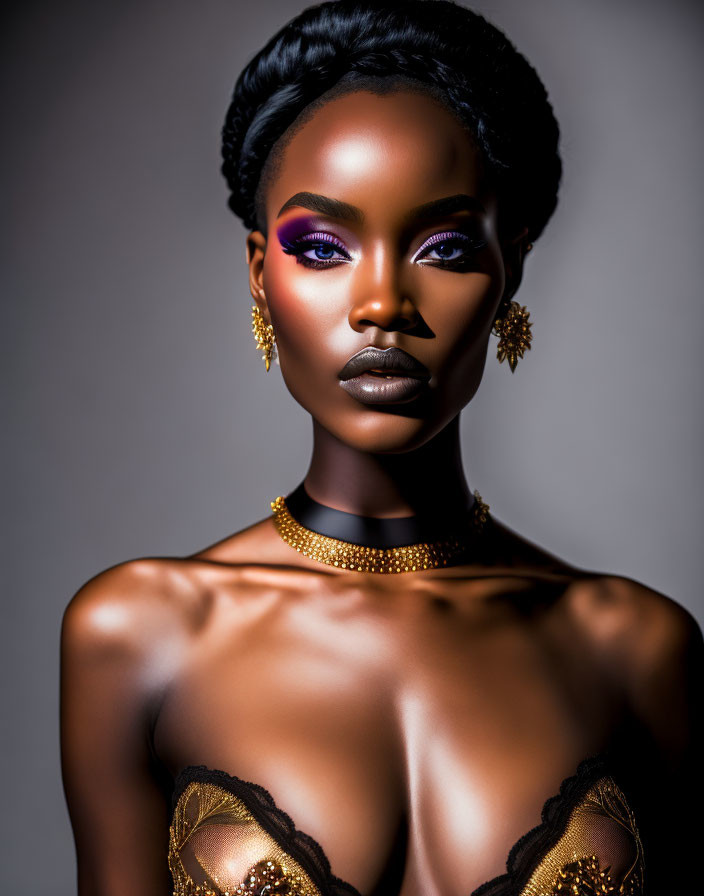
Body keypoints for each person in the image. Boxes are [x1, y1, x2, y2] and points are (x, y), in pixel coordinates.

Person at [60, 1, 702, 894]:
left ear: (510, 269)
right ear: (260, 275)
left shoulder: (636, 651)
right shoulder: (140, 637)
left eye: (443, 247)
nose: (381, 305)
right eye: (322, 248)